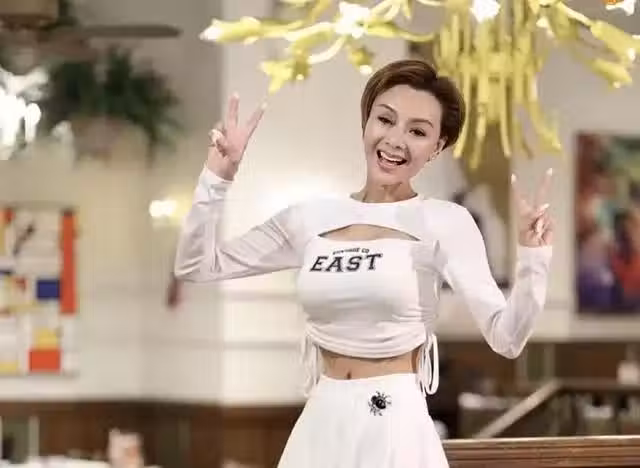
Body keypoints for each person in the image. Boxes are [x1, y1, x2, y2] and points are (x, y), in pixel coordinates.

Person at [173, 59, 554, 468]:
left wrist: (533, 258)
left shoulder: (445, 221)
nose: (395, 140)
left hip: (393, 420)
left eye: (418, 131)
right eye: (385, 120)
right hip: (322, 416)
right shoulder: (309, 217)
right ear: (366, 121)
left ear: (437, 146)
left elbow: (507, 338)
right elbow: (197, 265)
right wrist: (217, 178)